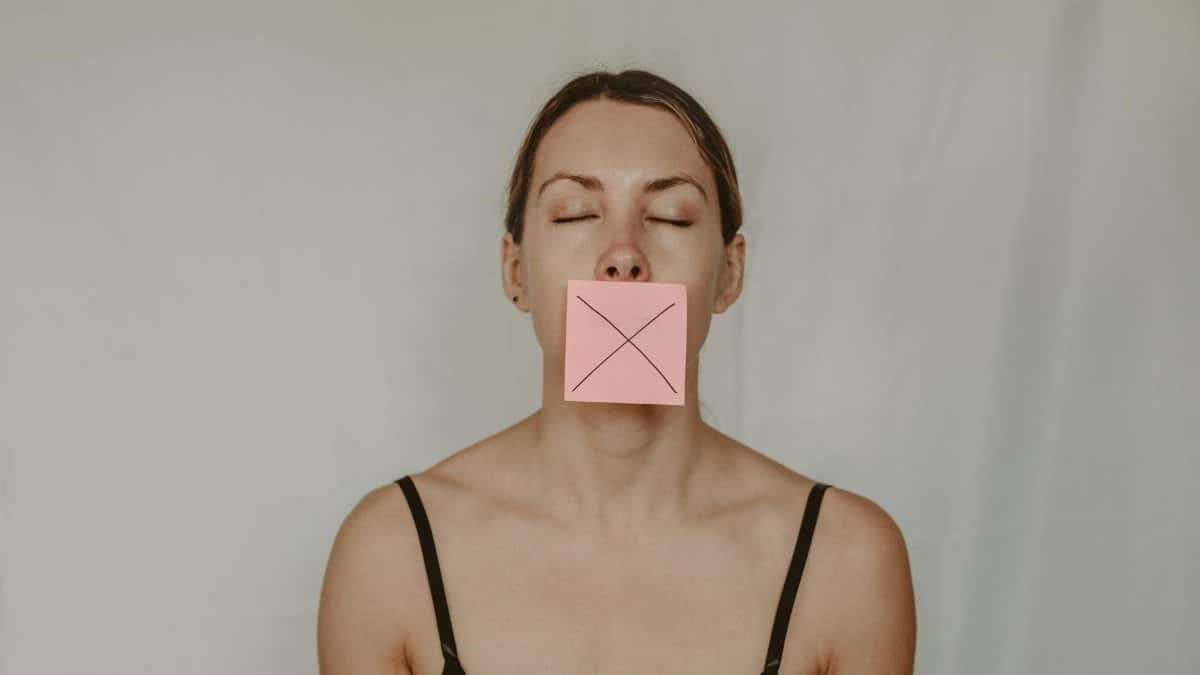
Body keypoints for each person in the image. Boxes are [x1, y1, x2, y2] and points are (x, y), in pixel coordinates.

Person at [318, 69, 916, 675]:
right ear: (515, 270)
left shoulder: (844, 560)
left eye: (672, 217)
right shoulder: (390, 553)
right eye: (577, 214)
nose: (623, 255)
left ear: (729, 273)